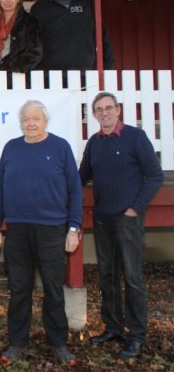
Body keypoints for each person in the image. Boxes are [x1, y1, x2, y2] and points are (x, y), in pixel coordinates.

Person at [0, 100, 82, 365]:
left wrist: (73, 229)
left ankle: (58, 343)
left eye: (36, 119)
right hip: (17, 230)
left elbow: (75, 192)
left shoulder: (60, 147)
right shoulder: (11, 148)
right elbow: (0, 192)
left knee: (53, 289)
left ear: (45, 121)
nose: (31, 123)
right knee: (19, 289)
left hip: (53, 230)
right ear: (21, 122)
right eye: (26, 119)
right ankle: (17, 343)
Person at [79, 92, 163, 357]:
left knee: (133, 278)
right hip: (103, 219)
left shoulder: (135, 137)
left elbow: (154, 175)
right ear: (94, 115)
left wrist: (134, 209)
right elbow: (81, 177)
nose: (104, 113)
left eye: (108, 108)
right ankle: (113, 327)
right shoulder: (94, 142)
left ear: (118, 110)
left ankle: (136, 335)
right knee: (107, 277)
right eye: (99, 110)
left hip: (127, 220)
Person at [30, 0, 115, 73]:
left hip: (86, 76)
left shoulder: (87, 3)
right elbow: (31, 44)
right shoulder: (39, 8)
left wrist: (109, 69)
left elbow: (102, 37)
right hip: (51, 79)